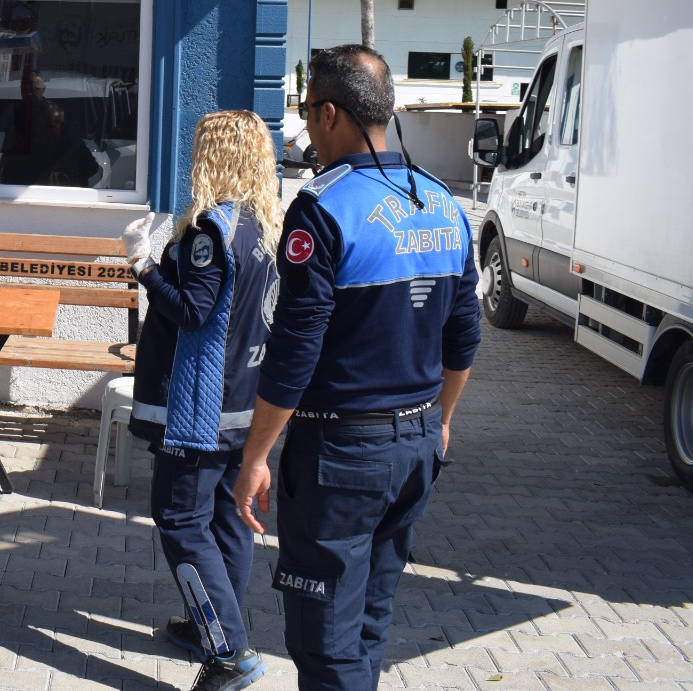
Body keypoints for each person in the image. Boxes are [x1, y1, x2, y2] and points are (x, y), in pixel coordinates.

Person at [233, 45, 481, 691]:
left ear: (331, 113)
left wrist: (257, 454)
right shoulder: (442, 203)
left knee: (325, 642)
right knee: (369, 619)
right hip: (417, 445)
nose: (307, 128)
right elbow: (464, 337)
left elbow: (296, 349)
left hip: (340, 457)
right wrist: (441, 420)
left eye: (307, 112)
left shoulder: (323, 207)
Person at [121, 110, 279, 691]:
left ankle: (229, 654)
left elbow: (192, 310)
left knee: (182, 521)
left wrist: (142, 264)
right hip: (245, 403)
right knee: (228, 521)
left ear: (214, 157)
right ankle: (206, 627)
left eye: (198, 150)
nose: (192, 161)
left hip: (199, 408)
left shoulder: (212, 228)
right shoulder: (266, 226)